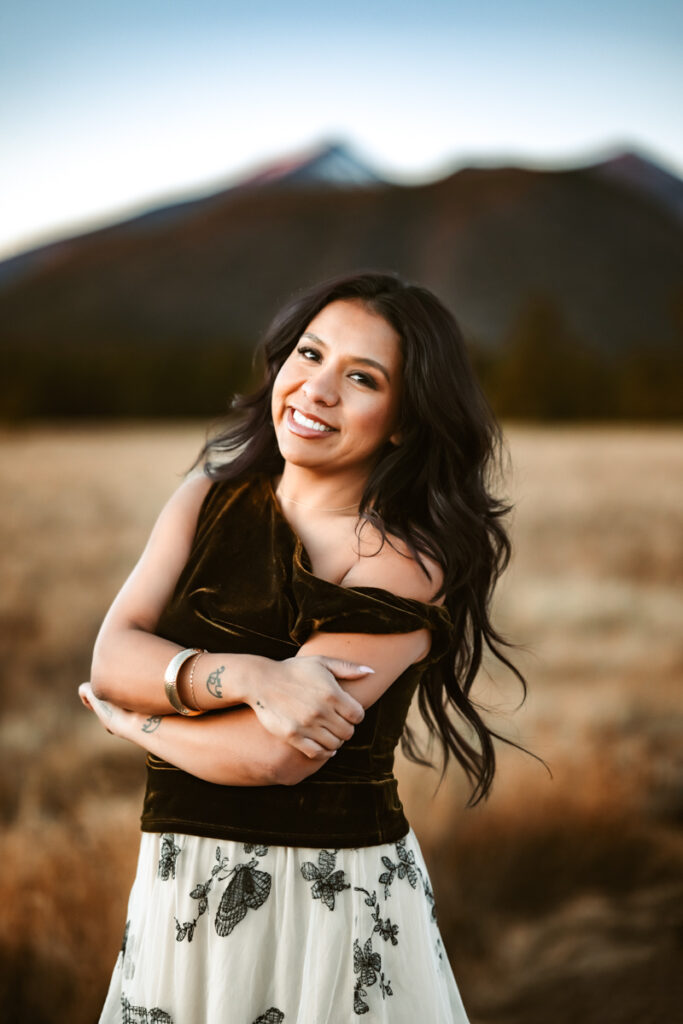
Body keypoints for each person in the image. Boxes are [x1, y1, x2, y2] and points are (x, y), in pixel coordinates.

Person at [80, 270, 529, 1023]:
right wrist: (250, 676)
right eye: (309, 355)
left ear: (404, 421)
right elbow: (111, 658)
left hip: (321, 902)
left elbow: (274, 756)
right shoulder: (205, 498)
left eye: (360, 377)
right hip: (178, 881)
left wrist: (138, 721)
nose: (316, 390)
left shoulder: (402, 559)